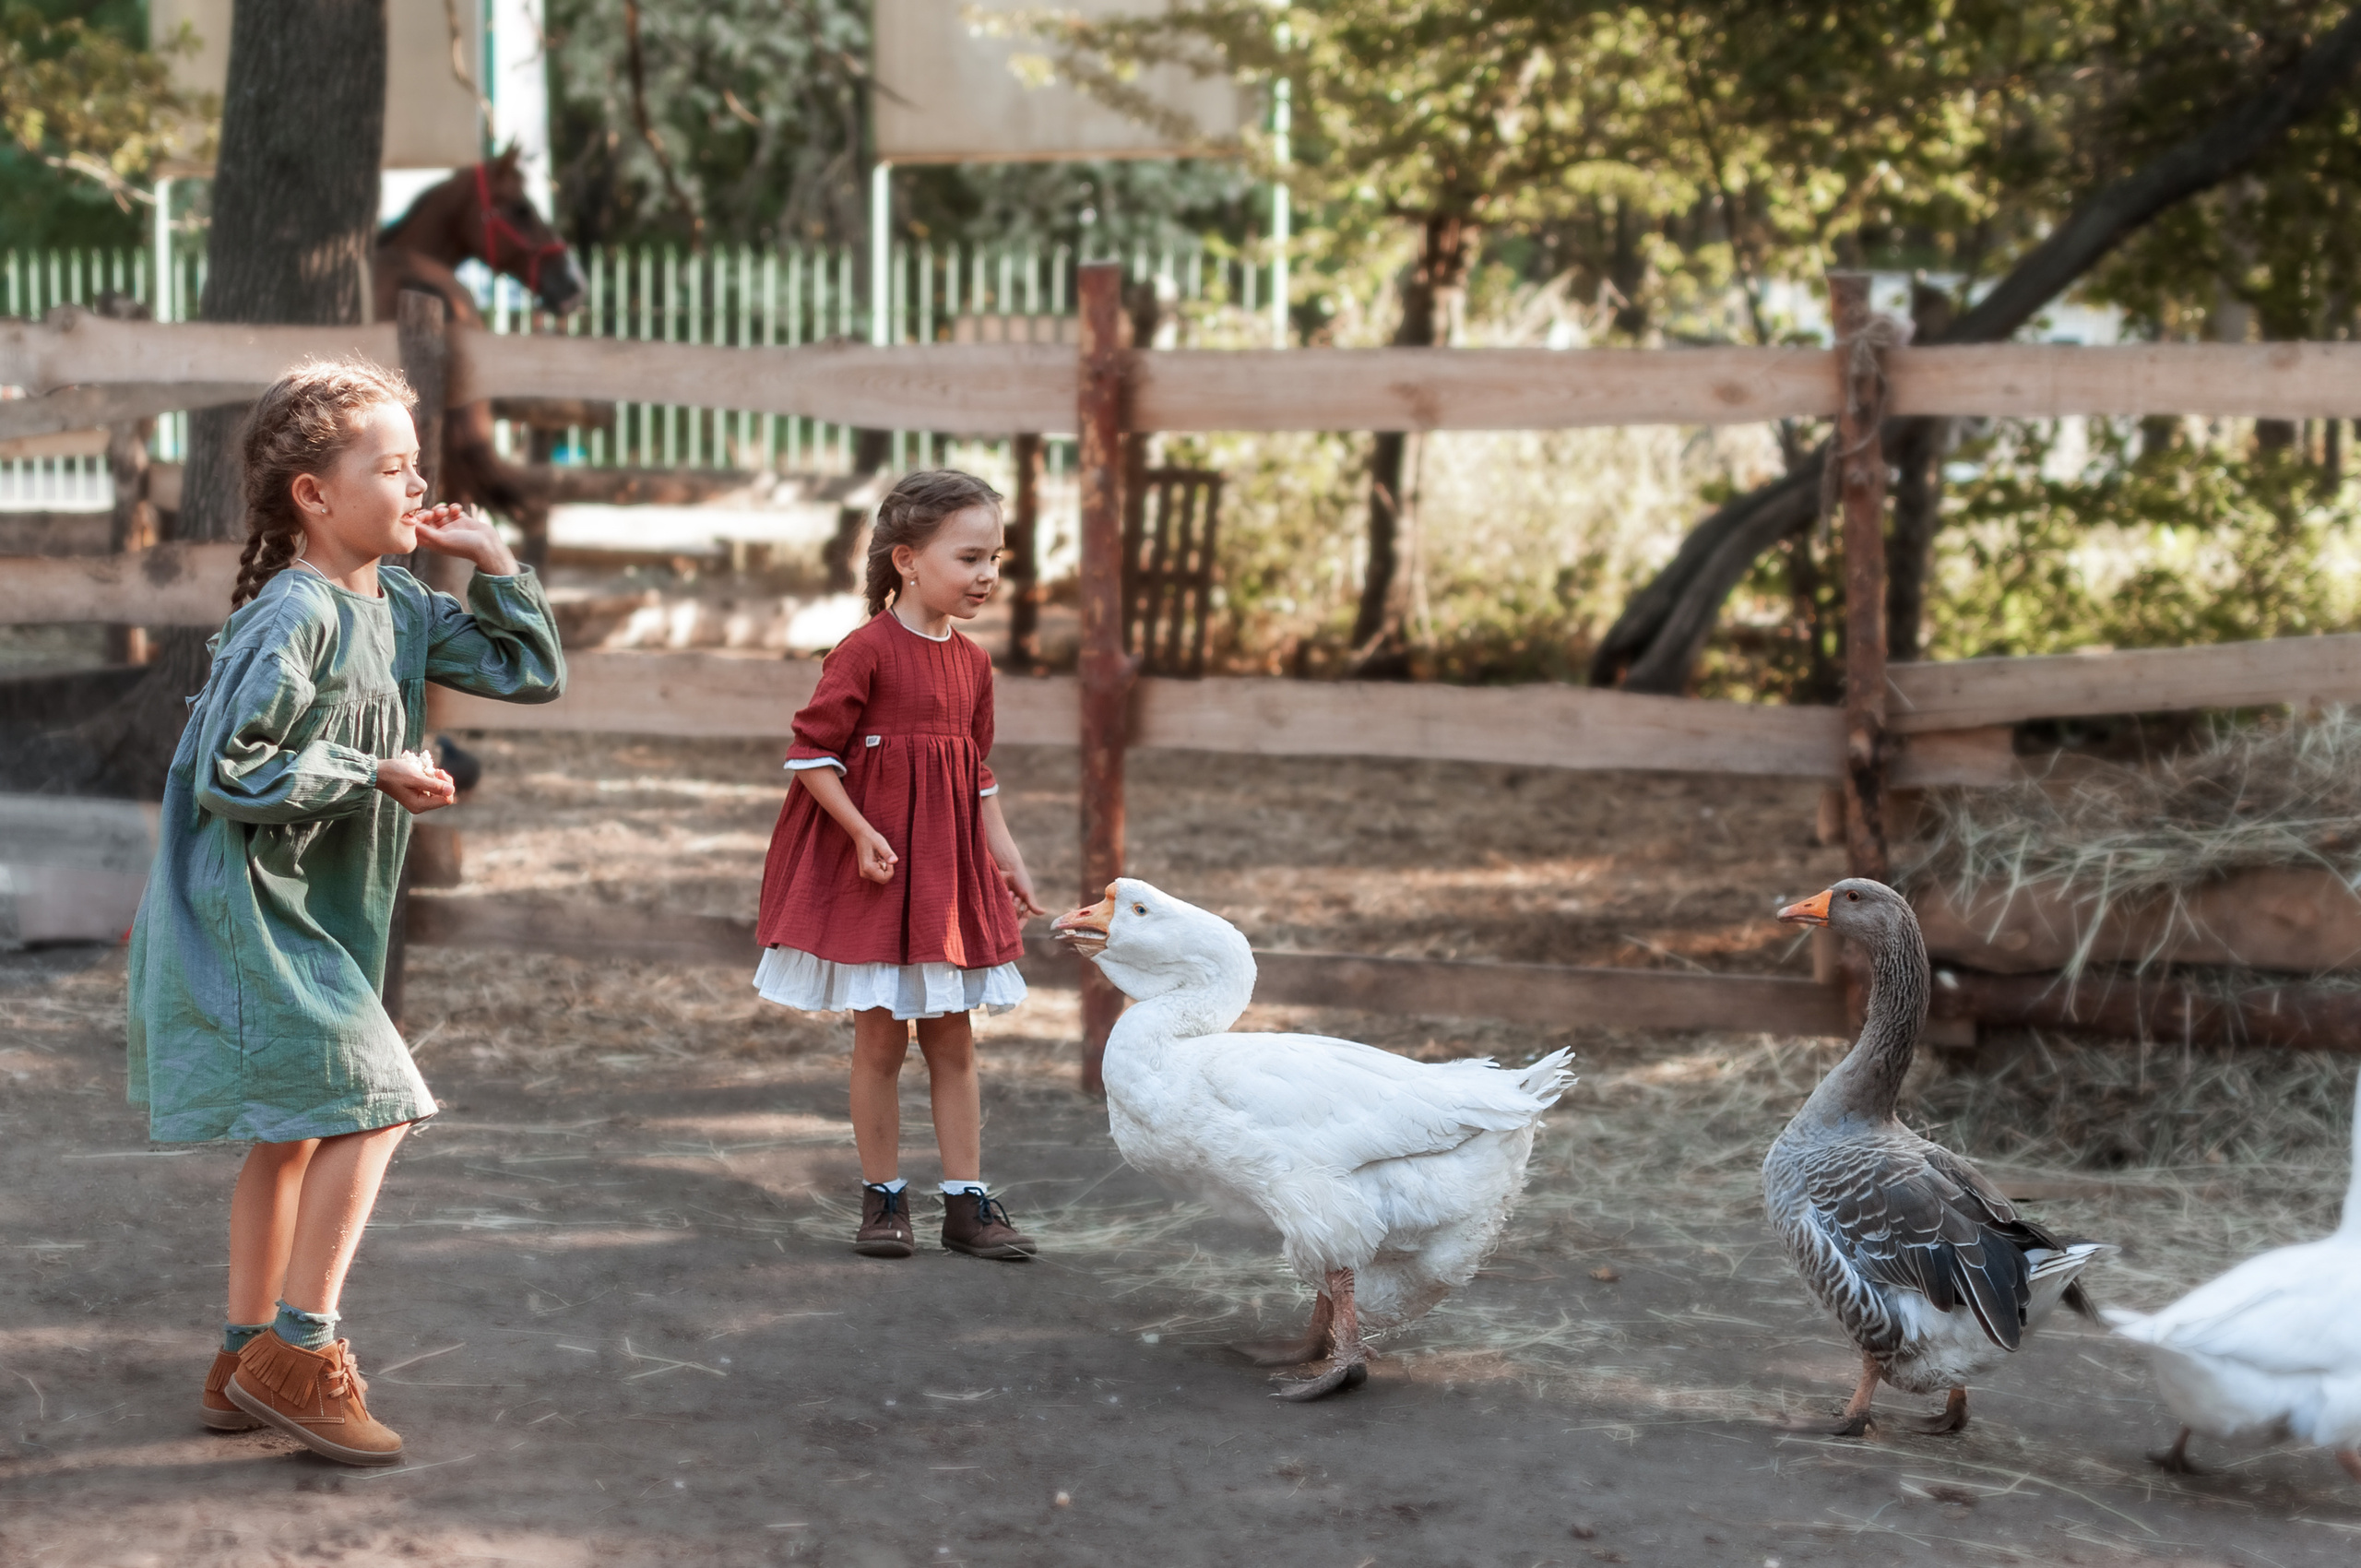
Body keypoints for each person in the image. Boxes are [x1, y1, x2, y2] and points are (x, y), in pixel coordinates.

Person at [126, 359, 565, 1466]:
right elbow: (231, 769)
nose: (417, 486)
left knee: (297, 1128)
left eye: (419, 463)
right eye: (392, 466)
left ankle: (238, 1360)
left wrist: (499, 564)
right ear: (314, 495)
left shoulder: (406, 603)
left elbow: (526, 671)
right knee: (378, 1099)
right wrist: (371, 771)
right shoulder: (295, 611)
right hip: (252, 904)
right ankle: (301, 1351)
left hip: (320, 907)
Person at [754, 469, 1048, 1261]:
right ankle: (884, 1200)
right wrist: (857, 831)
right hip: (881, 876)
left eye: (996, 559)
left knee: (953, 1039)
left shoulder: (974, 665)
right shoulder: (865, 653)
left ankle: (967, 1205)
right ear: (908, 560)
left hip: (948, 882)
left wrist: (1008, 860)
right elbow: (811, 757)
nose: (987, 575)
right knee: (880, 1042)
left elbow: (977, 775)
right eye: (970, 557)